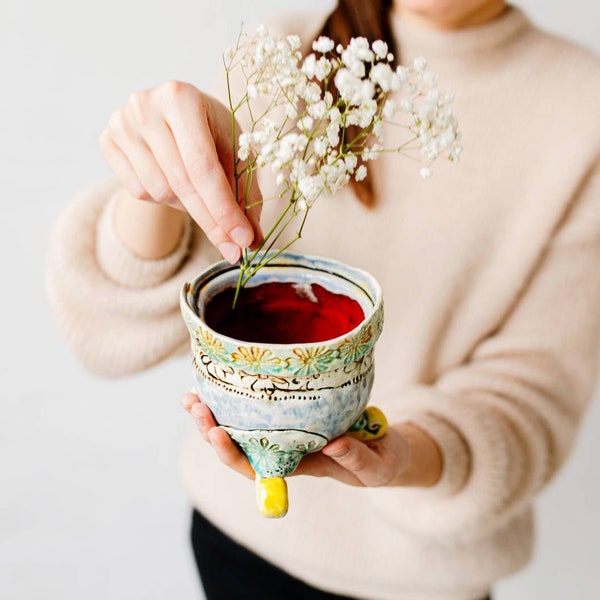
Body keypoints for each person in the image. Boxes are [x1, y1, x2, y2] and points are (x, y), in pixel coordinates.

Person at [46, 0, 600, 598]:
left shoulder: (581, 110)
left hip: (415, 582)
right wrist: (150, 185)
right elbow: (104, 337)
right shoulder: (282, 52)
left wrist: (398, 456)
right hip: (231, 545)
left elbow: (529, 403)